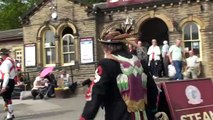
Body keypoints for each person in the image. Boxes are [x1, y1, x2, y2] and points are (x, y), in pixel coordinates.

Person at [80, 29, 159, 120]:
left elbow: (96, 95)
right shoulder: (140, 62)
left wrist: (84, 117)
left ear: (106, 48)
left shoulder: (106, 64)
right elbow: (153, 90)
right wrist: (153, 111)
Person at [0, 48, 16, 120]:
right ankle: (11, 114)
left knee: (7, 98)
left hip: (6, 81)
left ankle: (9, 116)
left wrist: (3, 86)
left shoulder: (6, 62)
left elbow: (6, 74)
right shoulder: (11, 61)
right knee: (8, 98)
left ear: (3, 55)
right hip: (11, 80)